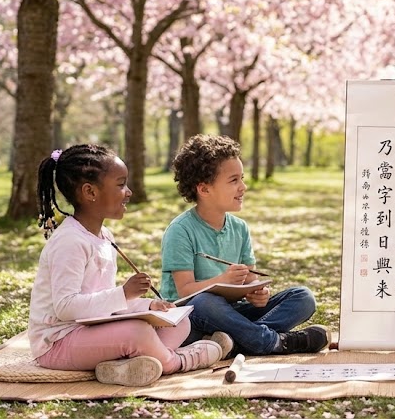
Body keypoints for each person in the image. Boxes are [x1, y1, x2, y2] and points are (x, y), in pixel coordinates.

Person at [29, 144, 231, 387]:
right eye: (120, 184)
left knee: (178, 320)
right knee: (138, 332)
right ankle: (177, 362)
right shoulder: (70, 242)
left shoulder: (104, 236)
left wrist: (148, 305)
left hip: (93, 330)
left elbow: (103, 303)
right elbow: (66, 308)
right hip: (58, 342)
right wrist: (123, 293)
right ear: (90, 192)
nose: (129, 191)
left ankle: (125, 367)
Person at [159, 134, 329, 355]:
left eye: (242, 178)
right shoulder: (180, 230)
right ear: (204, 189)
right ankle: (272, 342)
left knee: (303, 297)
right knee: (205, 302)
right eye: (234, 180)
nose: (243, 187)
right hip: (191, 317)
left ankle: (235, 343)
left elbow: (250, 278)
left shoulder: (239, 228)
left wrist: (257, 292)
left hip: (233, 315)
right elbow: (185, 292)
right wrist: (222, 280)